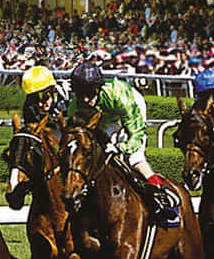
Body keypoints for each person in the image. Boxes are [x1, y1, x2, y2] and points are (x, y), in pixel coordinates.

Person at [68, 62, 182, 227]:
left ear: (98, 88)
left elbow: (136, 134)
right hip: (105, 117)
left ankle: (161, 194)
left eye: (89, 93)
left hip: (130, 110)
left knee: (134, 157)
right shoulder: (76, 104)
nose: (85, 99)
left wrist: (121, 147)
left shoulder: (119, 95)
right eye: (81, 94)